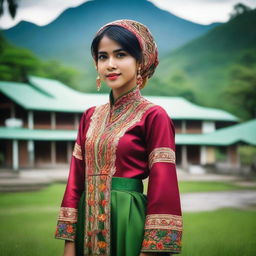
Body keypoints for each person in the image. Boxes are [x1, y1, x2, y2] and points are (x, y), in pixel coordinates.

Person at [55, 19, 183, 256]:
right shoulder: (90, 116)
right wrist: (69, 242)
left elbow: (164, 185)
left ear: (140, 62)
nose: (110, 65)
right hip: (87, 223)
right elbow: (75, 181)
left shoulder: (154, 116)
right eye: (103, 56)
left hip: (128, 220)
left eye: (121, 55)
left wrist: (153, 248)